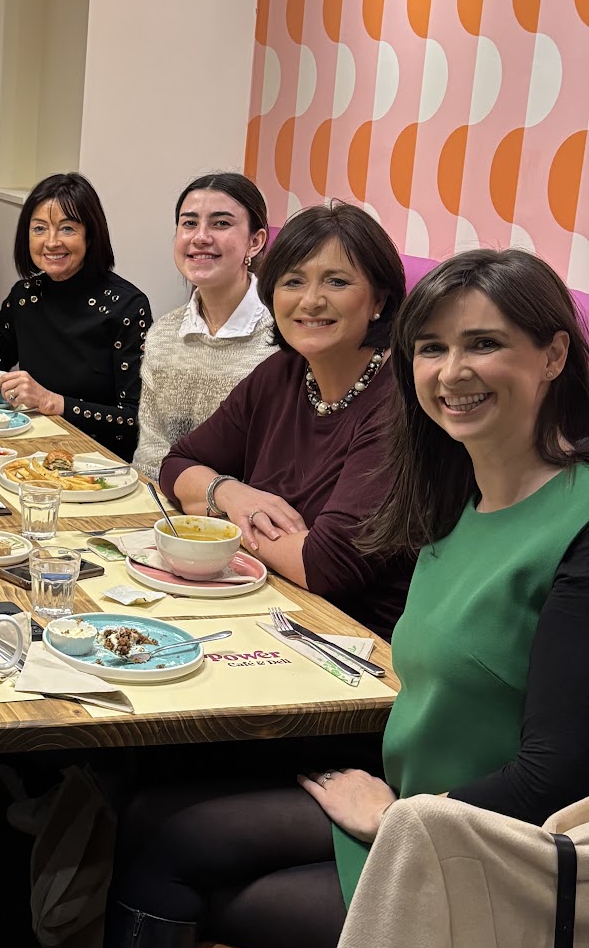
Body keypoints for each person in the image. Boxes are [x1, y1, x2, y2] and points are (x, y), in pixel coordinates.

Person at [0, 247, 589, 948]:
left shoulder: (576, 525)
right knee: (159, 823)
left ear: (554, 354)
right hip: (409, 811)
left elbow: (562, 775)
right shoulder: (454, 491)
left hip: (485, 872)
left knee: (182, 891)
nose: (451, 371)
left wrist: (401, 814)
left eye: (486, 345)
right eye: (432, 348)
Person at [161, 200, 411, 639]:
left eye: (336, 281)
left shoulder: (400, 402)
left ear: (379, 300)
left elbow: (324, 566)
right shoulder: (282, 372)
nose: (310, 301)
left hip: (352, 642)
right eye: (293, 281)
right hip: (266, 607)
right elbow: (178, 466)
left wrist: (226, 517)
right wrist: (233, 494)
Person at [0, 172, 150, 460]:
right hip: (30, 447)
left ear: (90, 235)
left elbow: (133, 420)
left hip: (96, 461)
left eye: (67, 229)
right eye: (39, 229)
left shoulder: (126, 306)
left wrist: (52, 402)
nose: (51, 242)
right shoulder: (24, 296)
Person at [133, 171, 276, 479]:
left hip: (249, 504)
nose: (200, 237)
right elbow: (151, 454)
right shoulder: (163, 334)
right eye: (189, 223)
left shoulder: (282, 338)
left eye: (221, 223)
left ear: (255, 242)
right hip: (165, 499)